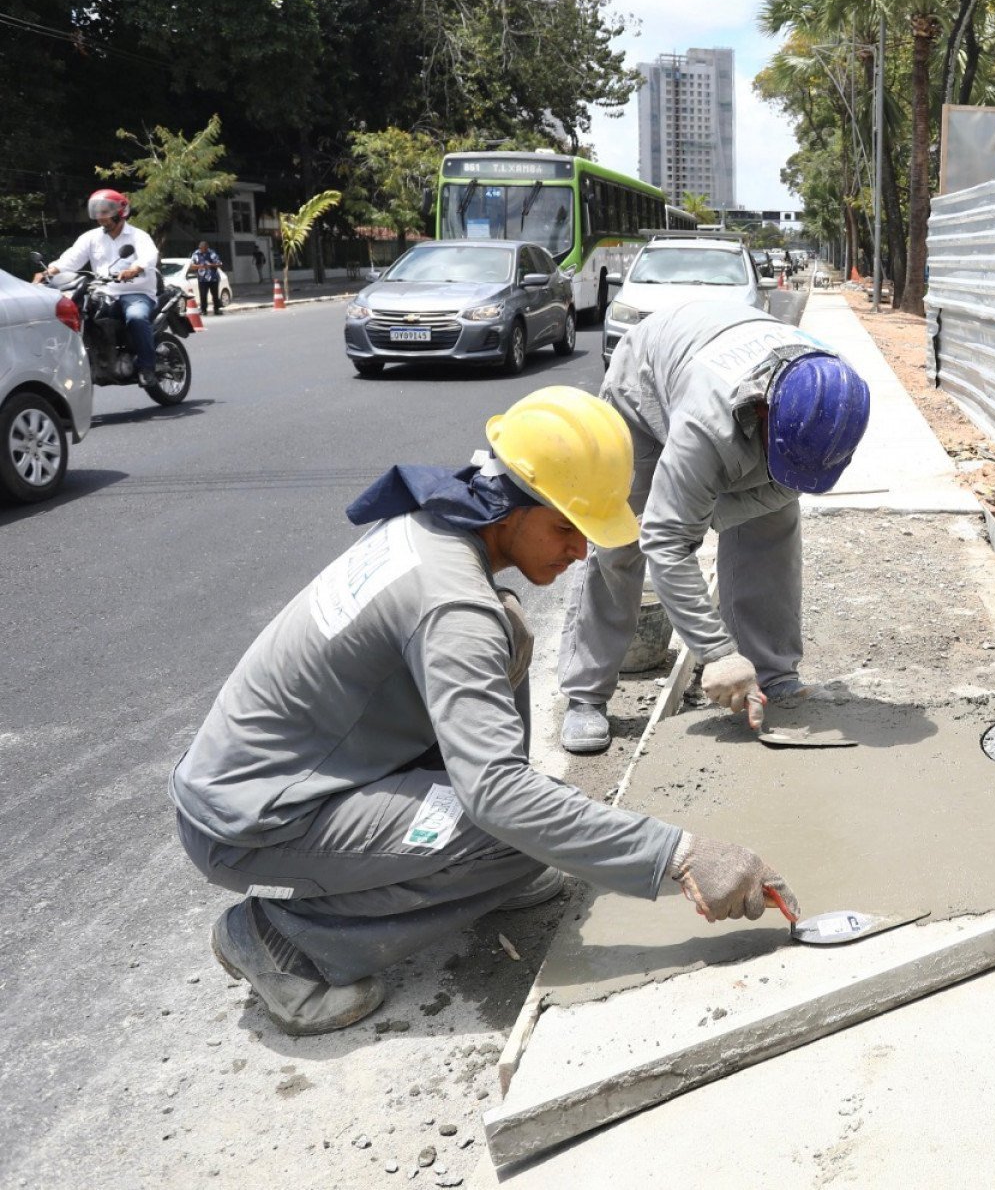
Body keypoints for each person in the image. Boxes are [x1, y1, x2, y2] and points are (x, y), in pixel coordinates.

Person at [171, 386, 796, 1036]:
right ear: (513, 508)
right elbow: (498, 796)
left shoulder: (439, 524)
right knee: (509, 828)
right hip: (253, 819)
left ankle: (465, 863)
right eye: (566, 528)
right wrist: (683, 854)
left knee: (512, 638)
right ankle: (286, 939)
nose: (580, 551)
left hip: (289, 772)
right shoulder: (452, 604)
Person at [557, 299, 872, 754]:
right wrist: (717, 653)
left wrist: (707, 515)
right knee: (622, 535)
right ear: (766, 414)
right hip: (646, 381)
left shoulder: (836, 401)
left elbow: (788, 487)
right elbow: (665, 540)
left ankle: (772, 673)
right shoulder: (706, 426)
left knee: (772, 527)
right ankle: (586, 693)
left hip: (731, 372)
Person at [36, 188, 160, 386]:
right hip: (103, 292)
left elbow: (149, 255)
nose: (101, 216)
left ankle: (147, 367)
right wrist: (48, 272)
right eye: (98, 211)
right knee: (77, 316)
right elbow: (71, 259)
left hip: (135, 291)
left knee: (136, 317)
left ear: (121, 212)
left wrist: (135, 268)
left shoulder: (138, 236)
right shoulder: (91, 238)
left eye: (106, 211)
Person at [188, 240, 225, 315]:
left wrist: (210, 265)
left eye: (204, 248)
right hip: (202, 278)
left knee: (215, 294)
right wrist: (200, 266)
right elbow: (191, 266)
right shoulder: (196, 254)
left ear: (207, 247)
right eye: (201, 248)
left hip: (213, 278)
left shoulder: (212, 253)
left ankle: (216, 309)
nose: (202, 250)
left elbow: (219, 264)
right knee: (203, 294)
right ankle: (203, 310)